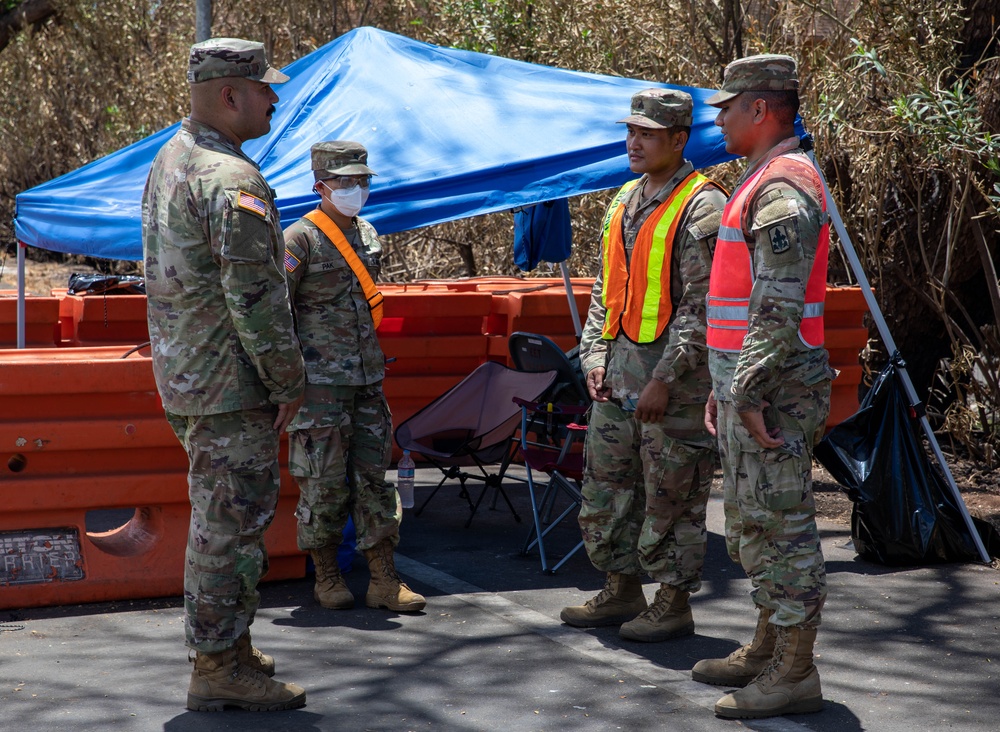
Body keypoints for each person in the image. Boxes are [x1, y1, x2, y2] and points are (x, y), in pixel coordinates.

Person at [142, 38, 307, 711]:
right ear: (230, 95)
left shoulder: (170, 157)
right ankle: (216, 665)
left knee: (223, 517)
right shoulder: (229, 178)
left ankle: (228, 644)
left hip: (188, 377)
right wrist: (289, 380)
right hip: (230, 383)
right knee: (229, 526)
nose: (274, 99)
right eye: (265, 89)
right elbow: (256, 300)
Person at [693, 54, 835, 719]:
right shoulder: (760, 180)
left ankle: (795, 671)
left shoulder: (784, 187)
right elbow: (739, 305)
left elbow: (776, 306)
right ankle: (767, 646)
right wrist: (724, 386)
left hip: (774, 391)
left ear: (760, 109)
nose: (717, 117)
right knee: (753, 523)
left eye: (726, 105)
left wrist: (743, 390)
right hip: (750, 386)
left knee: (783, 530)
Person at [559, 89, 726, 642]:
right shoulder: (626, 198)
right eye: (630, 131)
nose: (633, 142)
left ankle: (673, 603)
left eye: (647, 134)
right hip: (617, 377)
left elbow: (703, 307)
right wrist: (593, 355)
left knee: (672, 493)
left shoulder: (703, 206)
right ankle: (621, 588)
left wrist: (664, 377)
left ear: (679, 140)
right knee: (610, 487)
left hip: (670, 386)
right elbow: (606, 287)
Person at [283, 141, 426, 615]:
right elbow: (276, 311)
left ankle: (384, 579)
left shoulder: (367, 233)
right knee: (323, 483)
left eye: (362, 181)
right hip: (318, 387)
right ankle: (327, 575)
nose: (355, 189)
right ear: (320, 186)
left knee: (373, 481)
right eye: (345, 182)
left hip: (367, 381)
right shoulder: (298, 240)